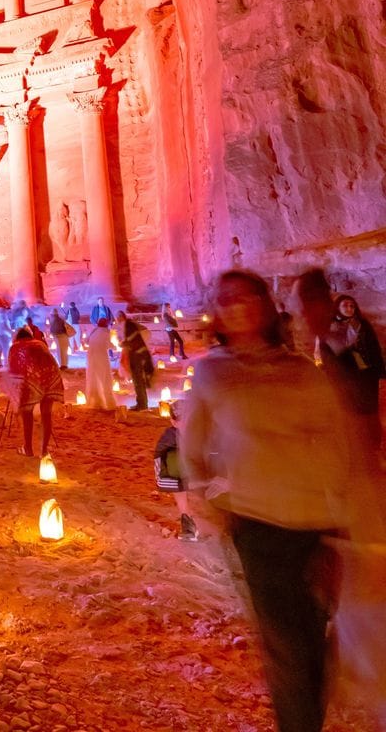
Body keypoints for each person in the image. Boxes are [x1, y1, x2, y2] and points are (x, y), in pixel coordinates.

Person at [182, 269, 374, 732]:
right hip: (256, 519)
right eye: (227, 299)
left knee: (312, 632)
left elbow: (333, 437)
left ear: (266, 306)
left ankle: (306, 712)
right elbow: (192, 445)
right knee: (285, 641)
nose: (238, 305)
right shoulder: (211, 371)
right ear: (219, 314)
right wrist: (201, 496)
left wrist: (346, 507)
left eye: (248, 296)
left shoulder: (299, 370)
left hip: (317, 518)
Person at [295, 271, 383, 451]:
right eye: (346, 305)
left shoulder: (360, 326)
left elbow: (372, 349)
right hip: (345, 383)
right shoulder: (331, 330)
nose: (349, 309)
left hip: (364, 377)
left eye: (352, 306)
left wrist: (376, 371)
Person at [4, 328, 63, 457]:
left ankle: (28, 448)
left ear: (17, 338)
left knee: (27, 413)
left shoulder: (15, 347)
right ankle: (44, 450)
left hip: (30, 380)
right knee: (46, 415)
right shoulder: (40, 343)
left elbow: (12, 369)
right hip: (51, 378)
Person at [153, 399, 198, 541]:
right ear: (173, 422)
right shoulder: (170, 437)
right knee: (178, 484)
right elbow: (163, 459)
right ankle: (188, 522)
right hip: (173, 467)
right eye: (179, 420)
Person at [117, 311, 153, 411]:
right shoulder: (128, 325)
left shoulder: (129, 325)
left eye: (118, 318)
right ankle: (141, 403)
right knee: (137, 380)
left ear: (121, 317)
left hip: (138, 355)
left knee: (138, 380)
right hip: (136, 354)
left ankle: (142, 405)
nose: (117, 320)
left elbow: (132, 341)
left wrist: (122, 344)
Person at [85, 317, 116, 410]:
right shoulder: (105, 333)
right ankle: (105, 402)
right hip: (101, 358)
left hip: (91, 357)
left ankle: (94, 400)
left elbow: (87, 341)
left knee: (93, 377)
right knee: (104, 378)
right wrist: (114, 346)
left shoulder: (94, 331)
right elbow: (108, 344)